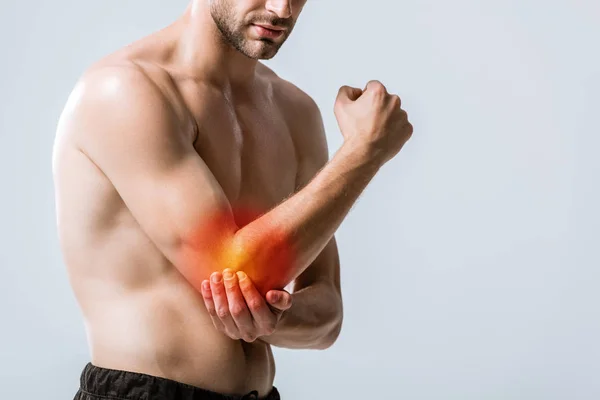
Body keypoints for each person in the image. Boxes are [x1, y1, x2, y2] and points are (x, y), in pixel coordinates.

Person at [52, 0, 413, 399]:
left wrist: (272, 317)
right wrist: (363, 153)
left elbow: (328, 317)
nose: (282, 9)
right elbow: (233, 266)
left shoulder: (295, 110)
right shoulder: (126, 90)